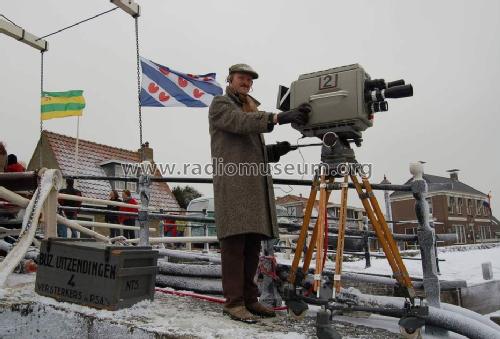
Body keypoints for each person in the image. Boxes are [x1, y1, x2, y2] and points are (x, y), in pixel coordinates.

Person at [208, 63, 311, 322]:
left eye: (249, 80)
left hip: (252, 189)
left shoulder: (249, 108)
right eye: (241, 78)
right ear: (230, 80)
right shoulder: (221, 105)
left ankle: (250, 300)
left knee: (252, 246)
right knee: (234, 245)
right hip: (233, 187)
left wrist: (276, 150)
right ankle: (233, 303)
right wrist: (277, 117)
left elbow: (250, 148)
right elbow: (239, 123)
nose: (246, 82)